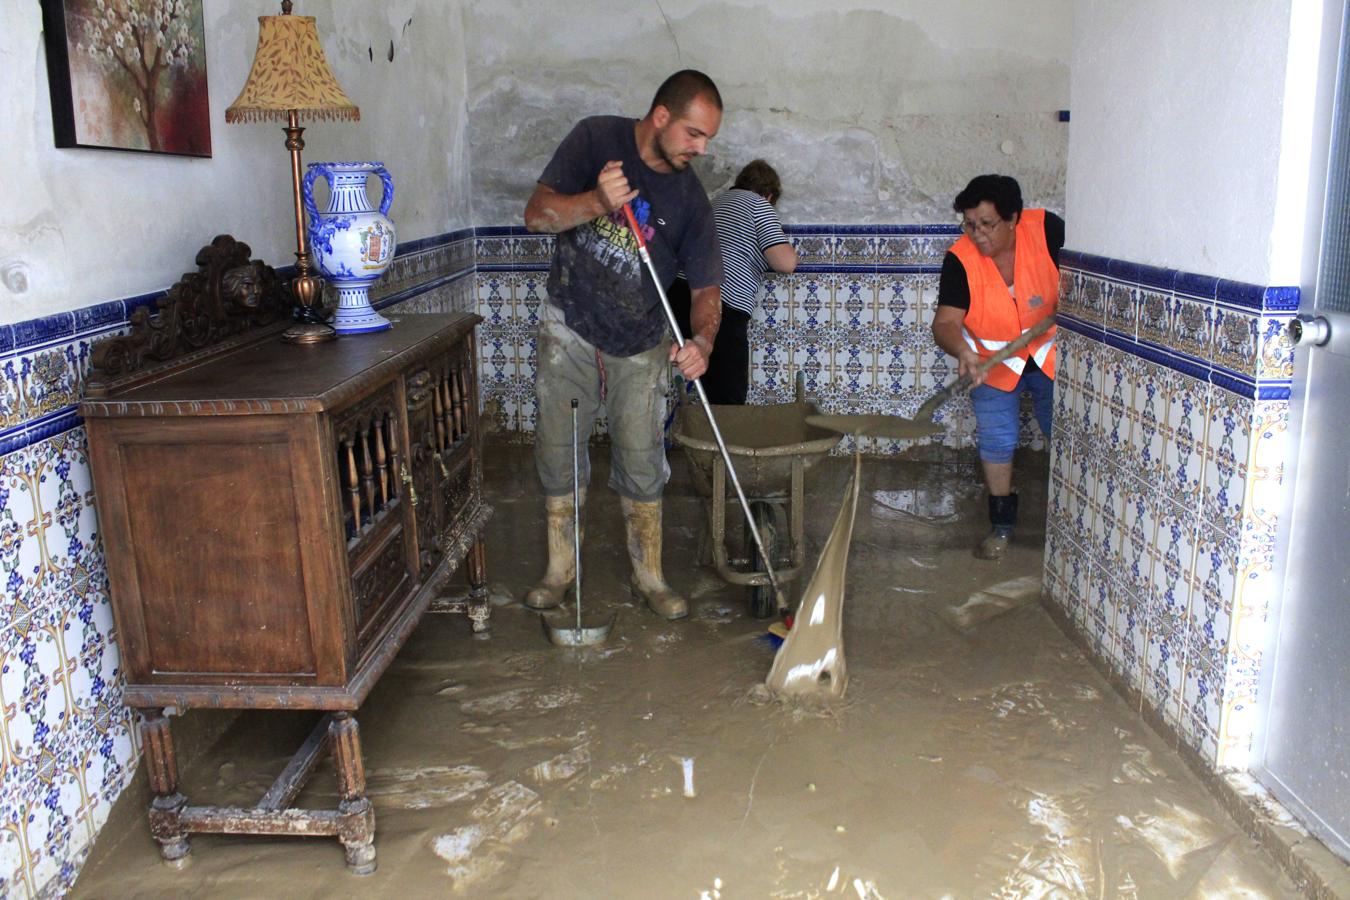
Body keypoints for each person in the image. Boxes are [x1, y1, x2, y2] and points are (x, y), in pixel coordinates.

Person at [521, 70, 725, 620]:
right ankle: (560, 571)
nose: (700, 149)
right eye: (693, 134)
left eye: (707, 138)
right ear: (660, 117)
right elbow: (537, 215)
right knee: (558, 447)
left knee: (641, 454)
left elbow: (708, 287)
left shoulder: (690, 199)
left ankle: (648, 575)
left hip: (641, 340)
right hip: (571, 324)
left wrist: (702, 340)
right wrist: (596, 200)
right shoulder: (595, 140)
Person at [931, 174, 1063, 560]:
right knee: (997, 439)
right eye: (970, 224)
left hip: (1048, 357)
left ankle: (1073, 519)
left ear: (1014, 219)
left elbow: (1084, 283)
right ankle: (1002, 527)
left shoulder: (1049, 231)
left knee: (1064, 431)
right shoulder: (960, 257)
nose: (977, 234)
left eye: (987, 224)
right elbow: (945, 324)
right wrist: (963, 352)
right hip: (992, 366)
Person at [670, 160, 798, 403]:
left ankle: (694, 435)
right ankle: (721, 440)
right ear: (769, 195)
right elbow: (786, 263)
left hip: (679, 295)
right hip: (720, 304)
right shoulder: (759, 205)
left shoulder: (713, 202)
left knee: (703, 378)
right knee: (729, 395)